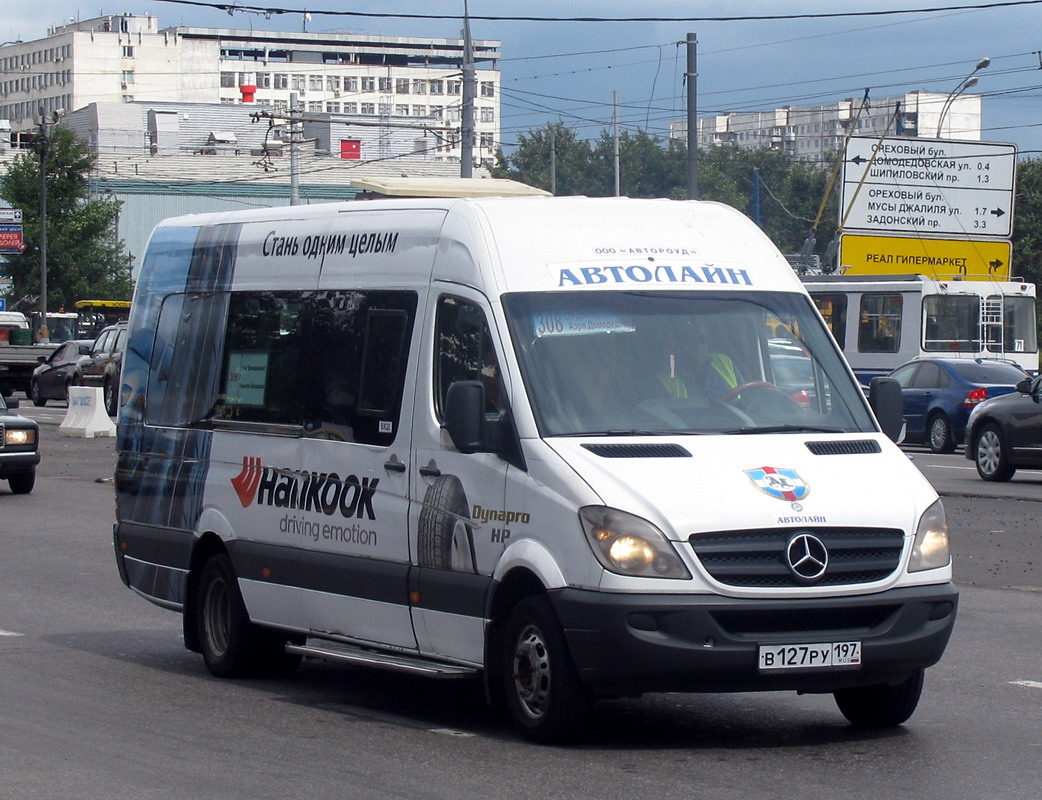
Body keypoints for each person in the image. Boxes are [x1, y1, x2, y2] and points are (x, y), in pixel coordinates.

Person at [658, 328, 742, 399]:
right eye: (691, 341)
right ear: (679, 347)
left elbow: (749, 399)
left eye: (702, 340)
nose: (698, 347)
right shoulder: (664, 381)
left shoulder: (724, 362)